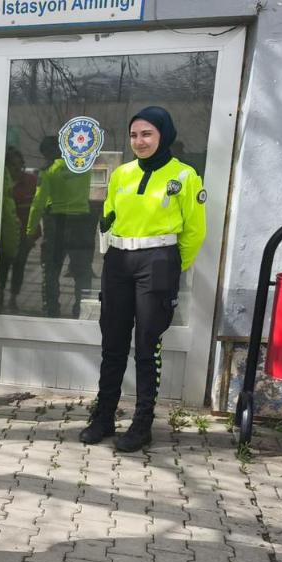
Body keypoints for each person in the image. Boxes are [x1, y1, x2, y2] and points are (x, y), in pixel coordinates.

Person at [79, 107, 206, 451]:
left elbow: (195, 231)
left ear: (164, 135)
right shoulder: (122, 174)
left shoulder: (185, 177)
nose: (139, 141)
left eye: (147, 134)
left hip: (158, 261)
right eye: (134, 135)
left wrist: (173, 267)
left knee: (148, 345)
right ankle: (104, 416)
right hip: (119, 261)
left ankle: (142, 423)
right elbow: (109, 215)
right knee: (113, 343)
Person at [26, 135, 94, 318]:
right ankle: (81, 310)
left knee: (51, 270)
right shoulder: (84, 166)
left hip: (56, 223)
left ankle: (51, 310)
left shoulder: (49, 171)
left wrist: (30, 229)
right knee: (82, 271)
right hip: (81, 222)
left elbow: (38, 203)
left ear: (49, 153)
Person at [1, 147, 38, 312]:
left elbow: (37, 207)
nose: (16, 168)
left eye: (19, 165)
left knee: (19, 266)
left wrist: (32, 234)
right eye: (12, 165)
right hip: (4, 233)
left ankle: (13, 298)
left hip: (24, 233)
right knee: (2, 267)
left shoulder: (31, 181)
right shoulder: (0, 180)